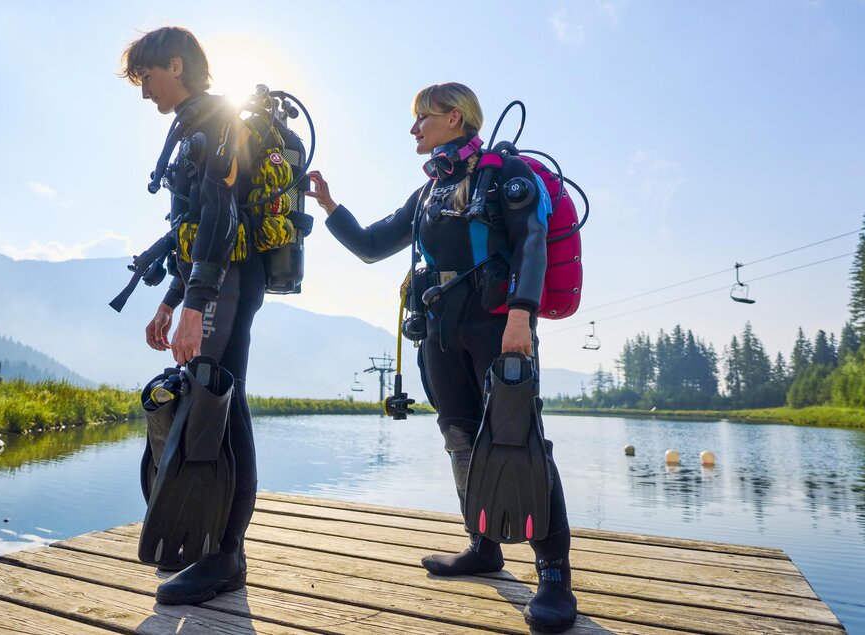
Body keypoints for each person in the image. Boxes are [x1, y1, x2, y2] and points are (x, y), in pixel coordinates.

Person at [307, 83, 578, 633]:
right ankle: (483, 545)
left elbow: (530, 240)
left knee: (520, 439)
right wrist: (330, 205)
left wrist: (522, 316)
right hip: (440, 328)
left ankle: (554, 576)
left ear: (454, 117)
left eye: (421, 118)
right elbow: (370, 245)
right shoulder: (430, 191)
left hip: (498, 325)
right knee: (459, 436)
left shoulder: (506, 174)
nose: (413, 129)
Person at [120, 26, 262, 606]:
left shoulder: (215, 123)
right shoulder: (198, 127)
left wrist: (197, 303)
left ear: (174, 65)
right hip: (214, 282)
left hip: (226, 284)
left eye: (147, 76)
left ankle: (225, 557)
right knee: (216, 405)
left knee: (223, 407)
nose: (144, 90)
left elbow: (222, 221)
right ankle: (216, 549)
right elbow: (195, 228)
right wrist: (170, 300)